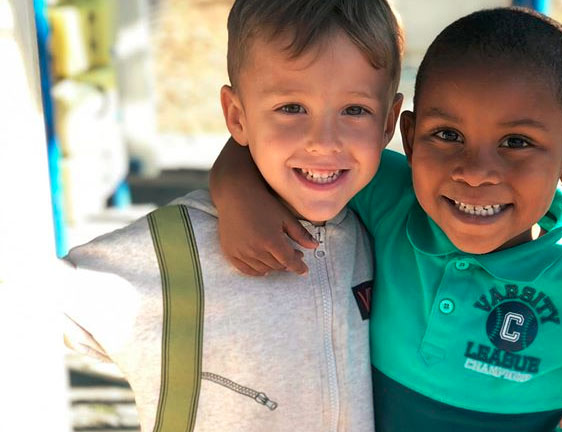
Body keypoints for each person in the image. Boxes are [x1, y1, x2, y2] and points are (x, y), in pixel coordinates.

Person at [208, 7, 562, 432]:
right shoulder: (392, 198)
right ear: (410, 138)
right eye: (447, 134)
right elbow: (263, 139)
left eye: (516, 142)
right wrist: (237, 194)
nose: (475, 172)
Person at [62, 0, 404, 430]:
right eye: (291, 108)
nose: (324, 141)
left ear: (389, 121)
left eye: (355, 110)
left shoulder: (390, 230)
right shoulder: (174, 250)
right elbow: (33, 305)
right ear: (236, 117)